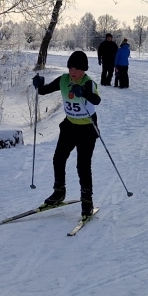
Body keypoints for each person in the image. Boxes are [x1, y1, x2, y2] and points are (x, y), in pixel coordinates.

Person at [33, 51, 101, 217]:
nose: (73, 71)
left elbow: (96, 100)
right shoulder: (64, 80)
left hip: (87, 130)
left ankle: (87, 202)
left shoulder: (88, 83)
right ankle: (59, 192)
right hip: (70, 126)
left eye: (77, 69)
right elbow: (44, 91)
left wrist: (83, 93)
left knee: (83, 166)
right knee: (58, 158)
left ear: (84, 69)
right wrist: (39, 84)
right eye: (71, 67)